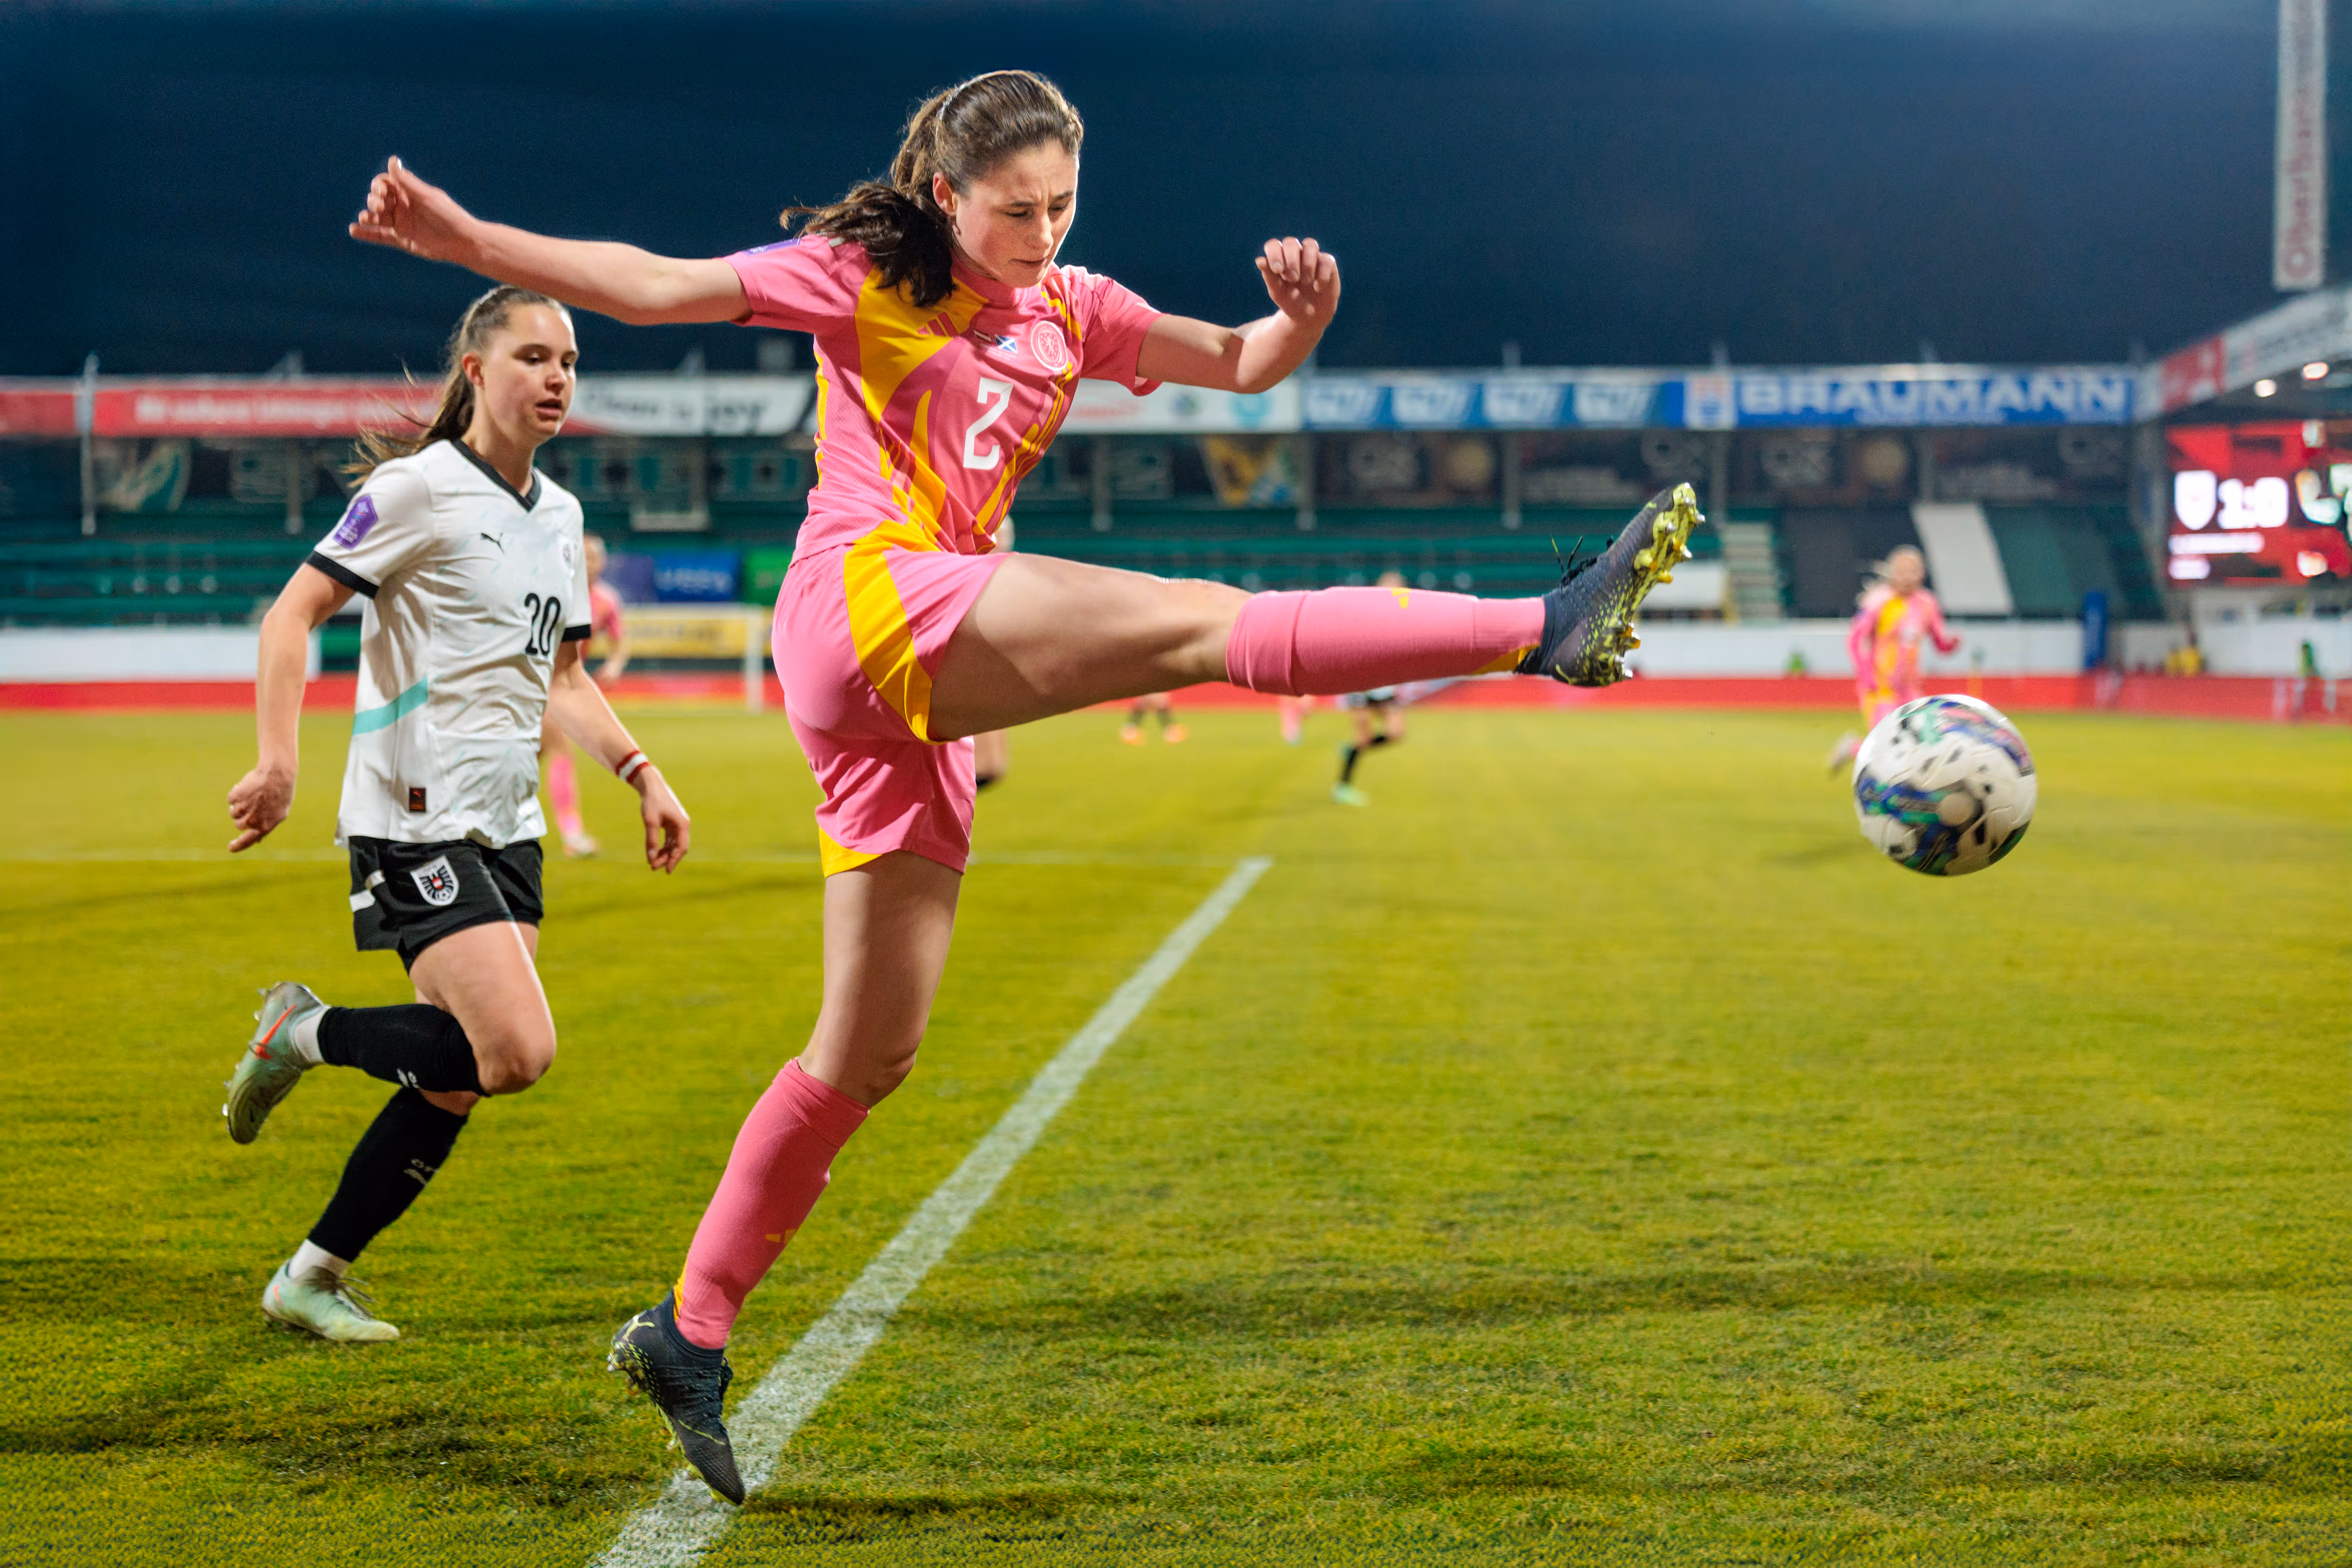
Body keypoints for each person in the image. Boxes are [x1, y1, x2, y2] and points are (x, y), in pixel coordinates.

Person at [349, 69, 1693, 1503]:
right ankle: (1540, 627)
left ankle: (687, 1328)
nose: (1041, 231)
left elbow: (1237, 364)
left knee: (866, 1052)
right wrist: (470, 240)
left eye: (1060, 204)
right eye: (1013, 208)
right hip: (868, 602)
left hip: (914, 687)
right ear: (948, 194)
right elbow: (656, 284)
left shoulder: (1077, 304)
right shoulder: (863, 275)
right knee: (1198, 624)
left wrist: (1297, 322)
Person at [219, 286, 692, 1344]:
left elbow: (563, 679)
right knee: (517, 1050)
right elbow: (292, 612)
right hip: (412, 814)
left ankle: (310, 1275)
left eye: (569, 359)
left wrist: (641, 773)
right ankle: (302, 1031)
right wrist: (278, 760)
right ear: (476, 370)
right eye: (533, 356)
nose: (557, 376)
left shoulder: (561, 518)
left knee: (461, 1074)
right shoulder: (417, 490)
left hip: (506, 823)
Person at [1829, 544, 1959, 772]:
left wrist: (1950, 645)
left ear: (1922, 574)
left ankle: (1857, 750)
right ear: (1892, 573)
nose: (1908, 577)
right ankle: (1854, 752)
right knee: (1889, 744)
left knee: (1927, 741)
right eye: (1902, 571)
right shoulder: (1878, 602)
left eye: (1913, 571)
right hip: (1881, 687)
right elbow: (1856, 639)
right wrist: (1865, 673)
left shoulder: (1927, 603)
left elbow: (1939, 640)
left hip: (1911, 687)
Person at [545, 533, 632, 855]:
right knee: (560, 752)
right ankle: (572, 836)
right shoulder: (556, 593)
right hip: (541, 686)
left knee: (536, 756)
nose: (590, 563)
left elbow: (620, 640)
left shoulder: (606, 600)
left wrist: (614, 665)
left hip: (565, 686)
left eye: (595, 557)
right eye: (585, 556)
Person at [1119, 689, 1186, 745]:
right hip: (1153, 688)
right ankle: (1171, 733)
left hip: (1149, 687)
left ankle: (1130, 732)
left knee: (1143, 707)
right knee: (1160, 706)